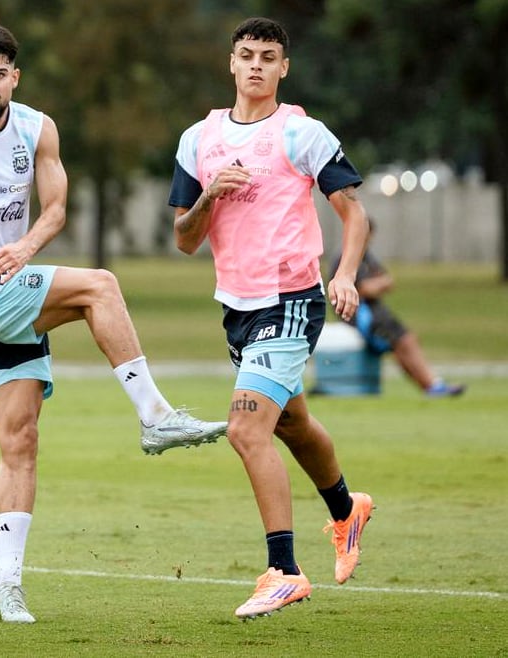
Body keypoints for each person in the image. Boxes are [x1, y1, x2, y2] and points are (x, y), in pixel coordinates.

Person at [0, 24, 227, 624]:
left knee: (21, 444)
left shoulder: (38, 129)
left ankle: (6, 583)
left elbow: (58, 207)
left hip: (13, 288)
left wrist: (26, 246)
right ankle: (155, 416)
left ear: (15, 76)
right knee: (101, 285)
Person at [168, 17, 375, 619]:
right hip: (237, 305)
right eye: (246, 55)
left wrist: (343, 274)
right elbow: (183, 239)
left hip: (291, 298)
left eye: (269, 57)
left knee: (245, 429)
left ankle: (284, 569)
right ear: (231, 63)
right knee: (291, 425)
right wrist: (211, 196)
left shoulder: (301, 133)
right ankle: (346, 509)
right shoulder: (198, 140)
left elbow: (354, 214)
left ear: (284, 68)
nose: (256, 65)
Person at [329, 220, 466, 397]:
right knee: (402, 341)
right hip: (361, 314)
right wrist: (375, 286)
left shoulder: (366, 256)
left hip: (376, 311)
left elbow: (387, 281)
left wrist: (376, 285)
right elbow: (364, 288)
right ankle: (431, 385)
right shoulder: (346, 256)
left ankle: (431, 385)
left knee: (405, 341)